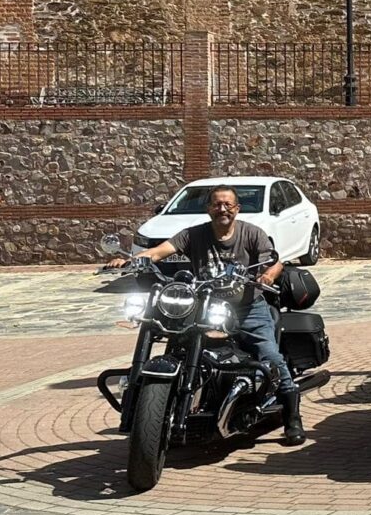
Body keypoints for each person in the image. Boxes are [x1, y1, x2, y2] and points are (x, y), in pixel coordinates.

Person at [106, 183, 305, 446]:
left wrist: (266, 275)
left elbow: (273, 260)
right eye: (216, 204)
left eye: (228, 205)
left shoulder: (252, 233)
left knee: (270, 355)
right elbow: (159, 251)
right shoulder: (193, 235)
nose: (222, 209)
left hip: (247, 308)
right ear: (209, 208)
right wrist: (131, 261)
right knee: (177, 345)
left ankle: (292, 419)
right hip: (204, 306)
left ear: (237, 208)